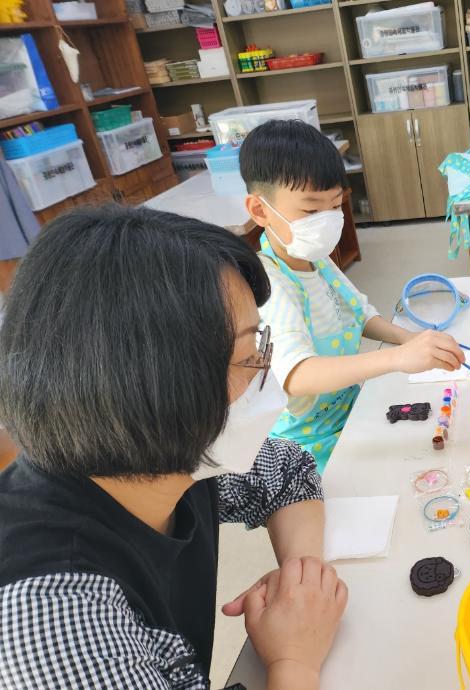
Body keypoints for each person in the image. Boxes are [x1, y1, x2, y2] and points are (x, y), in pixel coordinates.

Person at [0, 206, 346, 690]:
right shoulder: (53, 624)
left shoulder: (166, 459)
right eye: (249, 356)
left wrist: (301, 582)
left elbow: (289, 471)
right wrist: (294, 661)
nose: (266, 376)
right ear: (150, 388)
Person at [240, 120, 463, 471]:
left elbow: (358, 311)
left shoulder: (315, 258)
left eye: (335, 206)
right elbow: (297, 375)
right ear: (260, 210)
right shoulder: (269, 284)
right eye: (311, 211)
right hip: (305, 449)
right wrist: (397, 358)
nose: (328, 221)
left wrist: (409, 338)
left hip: (349, 413)